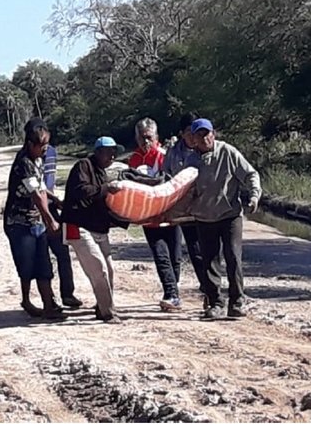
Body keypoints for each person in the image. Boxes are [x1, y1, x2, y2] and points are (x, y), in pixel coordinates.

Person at [188, 118, 262, 319]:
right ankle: (215, 303)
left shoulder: (228, 152)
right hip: (203, 217)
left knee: (233, 257)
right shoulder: (191, 160)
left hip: (230, 215)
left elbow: (250, 174)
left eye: (207, 133)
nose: (204, 138)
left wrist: (254, 196)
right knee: (210, 261)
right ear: (193, 139)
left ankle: (237, 302)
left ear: (214, 133)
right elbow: (182, 188)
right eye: (199, 135)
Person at [3, 122, 67, 320]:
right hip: (19, 222)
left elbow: (40, 186)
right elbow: (36, 196)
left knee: (43, 261)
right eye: (42, 145)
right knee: (27, 263)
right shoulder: (24, 163)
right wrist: (50, 221)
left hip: (35, 220)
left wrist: (54, 199)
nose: (46, 148)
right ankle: (27, 300)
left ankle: (49, 303)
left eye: (47, 144)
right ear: (30, 144)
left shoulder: (38, 159)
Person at [61, 136, 125, 324]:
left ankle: (102, 305)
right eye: (108, 152)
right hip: (78, 226)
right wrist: (106, 188)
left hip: (97, 228)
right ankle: (108, 312)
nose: (112, 156)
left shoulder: (101, 172)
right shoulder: (84, 166)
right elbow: (83, 191)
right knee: (99, 269)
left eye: (115, 152)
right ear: (97, 152)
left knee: (109, 269)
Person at [24, 118, 83, 308]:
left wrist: (55, 200)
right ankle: (45, 300)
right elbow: (36, 189)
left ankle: (67, 294)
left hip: (50, 206)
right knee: (41, 257)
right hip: (35, 210)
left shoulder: (51, 152)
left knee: (62, 252)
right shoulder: (26, 159)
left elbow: (47, 182)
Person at [128, 118, 182, 312]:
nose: (146, 142)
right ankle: (171, 294)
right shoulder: (133, 159)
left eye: (149, 137)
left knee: (175, 257)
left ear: (156, 136)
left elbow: (174, 184)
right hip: (149, 217)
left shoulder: (165, 156)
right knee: (161, 256)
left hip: (170, 215)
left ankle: (173, 292)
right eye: (142, 138)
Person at [162, 112, 212, 310]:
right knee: (181, 252)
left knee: (201, 252)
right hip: (180, 210)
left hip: (203, 209)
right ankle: (173, 293)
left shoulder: (205, 152)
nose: (193, 137)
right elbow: (165, 176)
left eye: (195, 133)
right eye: (188, 133)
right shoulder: (173, 153)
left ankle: (209, 291)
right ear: (182, 134)